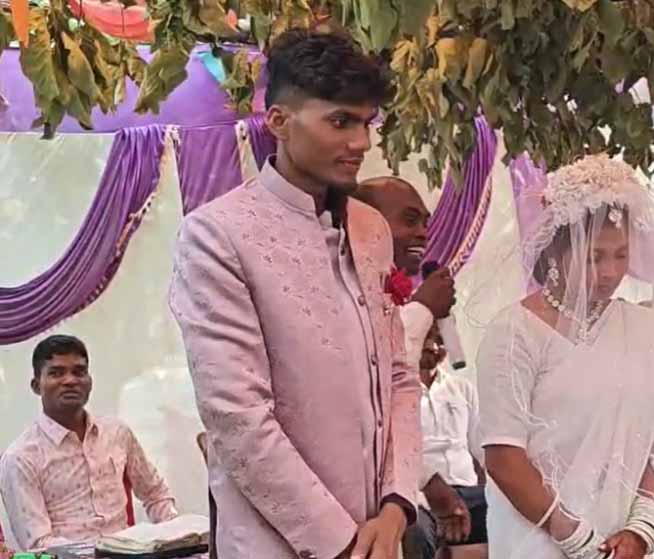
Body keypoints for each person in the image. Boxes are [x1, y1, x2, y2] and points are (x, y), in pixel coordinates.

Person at [169, 28, 420, 559]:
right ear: (279, 122)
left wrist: (397, 506)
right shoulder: (218, 235)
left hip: (380, 535)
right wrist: (341, 542)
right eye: (340, 121)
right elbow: (237, 416)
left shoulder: (371, 228)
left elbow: (399, 376)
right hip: (281, 544)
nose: (362, 143)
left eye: (367, 122)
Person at [476, 154, 654, 559]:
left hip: (626, 541)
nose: (610, 272)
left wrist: (641, 529)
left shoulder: (647, 330)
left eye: (621, 255)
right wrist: (577, 540)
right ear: (555, 251)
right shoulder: (514, 332)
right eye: (594, 256)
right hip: (540, 537)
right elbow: (503, 456)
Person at [0, 335, 177, 552]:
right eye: (56, 373)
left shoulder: (116, 433)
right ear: (37, 386)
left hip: (131, 552)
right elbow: (39, 545)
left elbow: (156, 494)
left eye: (79, 372)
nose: (70, 380)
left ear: (90, 381)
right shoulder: (20, 458)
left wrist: (176, 537)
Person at [401, 325, 487, 559]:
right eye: (426, 338)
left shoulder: (462, 388)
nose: (433, 346)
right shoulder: (398, 392)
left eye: (440, 340)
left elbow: (483, 448)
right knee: (415, 530)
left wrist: (500, 492)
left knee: (516, 514)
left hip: (470, 494)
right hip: (423, 498)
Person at [354, 176, 457, 370]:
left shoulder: (392, 293)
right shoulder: (339, 289)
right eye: (410, 220)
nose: (423, 234)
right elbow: (379, 369)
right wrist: (424, 307)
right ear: (363, 224)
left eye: (425, 224)